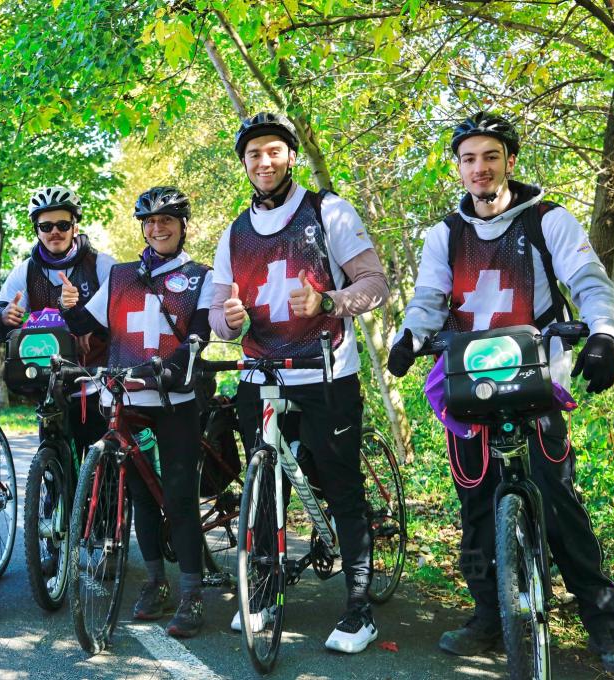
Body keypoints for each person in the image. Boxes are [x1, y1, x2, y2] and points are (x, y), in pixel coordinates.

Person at [386, 111, 614, 676]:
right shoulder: (444, 235)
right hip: (467, 376)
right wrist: (409, 337)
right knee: (476, 499)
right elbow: (429, 298)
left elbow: (588, 280)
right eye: (469, 159)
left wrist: (602, 335)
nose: (480, 168)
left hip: (536, 372)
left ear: (509, 161)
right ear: (457, 168)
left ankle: (604, 626)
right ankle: (487, 616)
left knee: (558, 499)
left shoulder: (548, 220)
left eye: (491, 156)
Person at [208, 112, 390, 654]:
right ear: (243, 163)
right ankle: (263, 590)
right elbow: (218, 315)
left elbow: (375, 283)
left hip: (326, 371)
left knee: (341, 485)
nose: (263, 162)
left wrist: (329, 300)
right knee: (266, 489)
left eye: (272, 151)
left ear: (290, 156)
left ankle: (359, 610)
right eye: (252, 154)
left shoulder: (327, 211)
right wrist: (230, 320)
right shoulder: (235, 231)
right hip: (259, 374)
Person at [62, 186, 213, 638]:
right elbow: (87, 325)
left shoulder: (200, 276)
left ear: (183, 225)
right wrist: (68, 309)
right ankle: (155, 582)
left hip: (175, 403)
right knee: (141, 497)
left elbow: (198, 337)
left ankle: (192, 594)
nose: (157, 228)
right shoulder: (122, 276)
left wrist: (171, 368)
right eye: (149, 221)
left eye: (167, 220)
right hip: (125, 402)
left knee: (181, 496)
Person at [0, 185, 114, 454]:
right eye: (46, 226)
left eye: (63, 224)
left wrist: (91, 322)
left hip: (95, 385)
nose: (54, 232)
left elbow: (121, 315)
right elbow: (0, 310)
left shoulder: (102, 265)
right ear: (36, 230)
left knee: (99, 476)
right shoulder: (26, 270)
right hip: (49, 385)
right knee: (53, 469)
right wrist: (6, 316)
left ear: (75, 225)